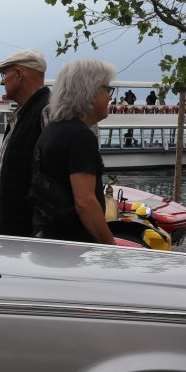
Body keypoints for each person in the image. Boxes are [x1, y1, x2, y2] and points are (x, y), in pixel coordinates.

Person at [30, 59, 116, 246]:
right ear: (90, 91)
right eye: (107, 89)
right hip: (73, 245)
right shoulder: (80, 136)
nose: (110, 97)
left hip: (47, 239)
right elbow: (85, 202)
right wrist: (110, 246)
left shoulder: (51, 131)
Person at [0, 50, 49, 236]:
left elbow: (53, 176)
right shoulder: (26, 113)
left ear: (19, 74)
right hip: (17, 231)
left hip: (28, 236)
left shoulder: (45, 111)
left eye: (4, 74)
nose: (2, 82)